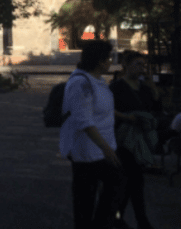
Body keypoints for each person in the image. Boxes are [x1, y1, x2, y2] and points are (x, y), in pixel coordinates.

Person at [59, 40, 122, 229]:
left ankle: (104, 223)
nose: (110, 62)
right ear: (100, 61)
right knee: (85, 200)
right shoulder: (81, 83)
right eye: (108, 58)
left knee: (115, 186)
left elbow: (103, 111)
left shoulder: (98, 81)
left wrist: (126, 118)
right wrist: (106, 149)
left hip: (102, 148)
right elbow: (84, 121)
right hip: (87, 151)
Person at [110, 50, 160, 229]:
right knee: (132, 180)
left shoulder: (145, 88)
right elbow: (109, 111)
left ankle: (121, 218)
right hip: (124, 139)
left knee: (133, 180)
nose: (141, 68)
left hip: (141, 138)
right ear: (126, 65)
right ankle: (138, 220)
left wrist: (154, 91)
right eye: (138, 64)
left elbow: (154, 109)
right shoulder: (116, 87)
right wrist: (126, 118)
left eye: (143, 65)